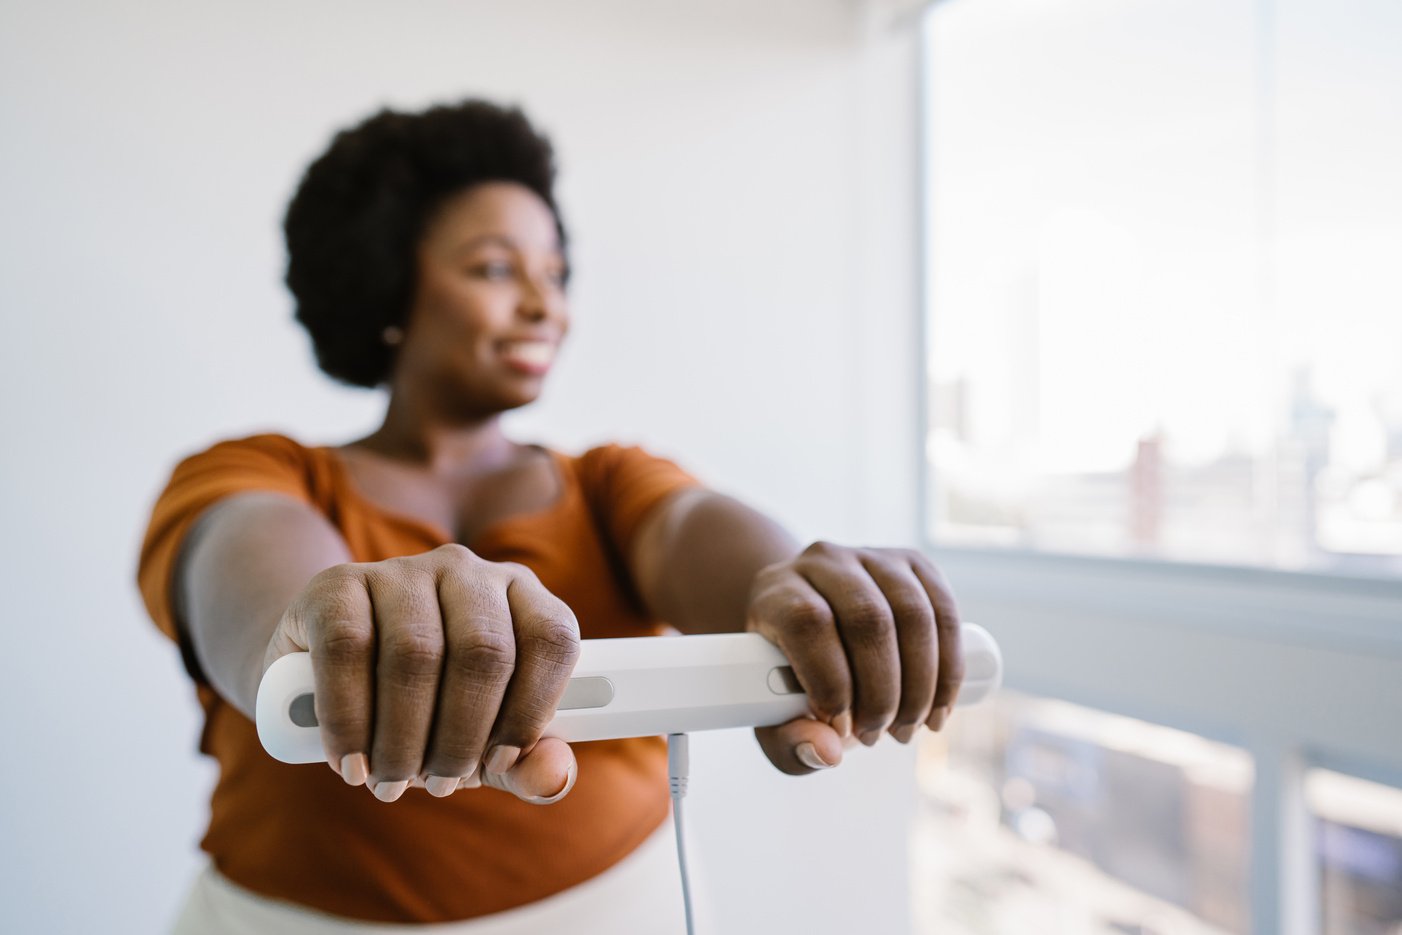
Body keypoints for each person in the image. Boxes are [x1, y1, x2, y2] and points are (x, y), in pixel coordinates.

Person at [137, 99, 965, 933]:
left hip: (620, 905)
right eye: (496, 269)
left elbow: (695, 531)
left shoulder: (608, 481)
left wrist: (795, 588)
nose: (545, 303)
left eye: (557, 272)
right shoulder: (255, 471)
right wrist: (323, 618)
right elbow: (253, 578)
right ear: (389, 281)